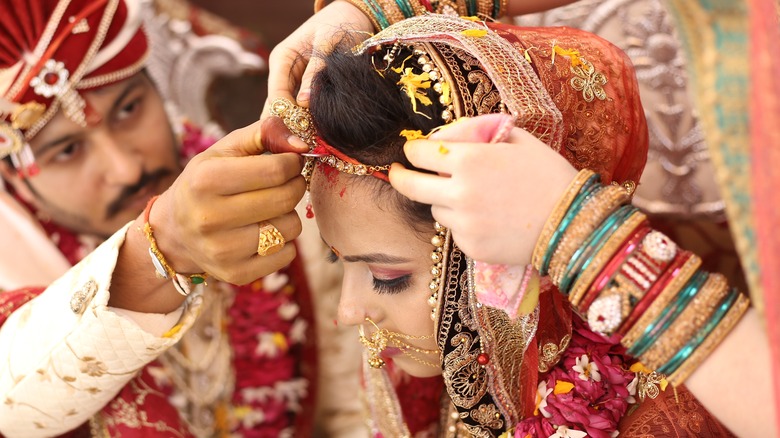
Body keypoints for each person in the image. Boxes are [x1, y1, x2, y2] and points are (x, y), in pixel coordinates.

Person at [268, 14, 774, 437]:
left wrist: (575, 232)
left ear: (505, 255)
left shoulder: (669, 421)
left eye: (388, 276)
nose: (347, 312)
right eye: (338, 260)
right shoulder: (444, 391)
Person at [0, 0, 325, 435]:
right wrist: (161, 248)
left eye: (129, 109)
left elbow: (352, 404)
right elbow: (12, 404)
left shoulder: (273, 191)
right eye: (67, 150)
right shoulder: (12, 259)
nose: (126, 169)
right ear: (14, 178)